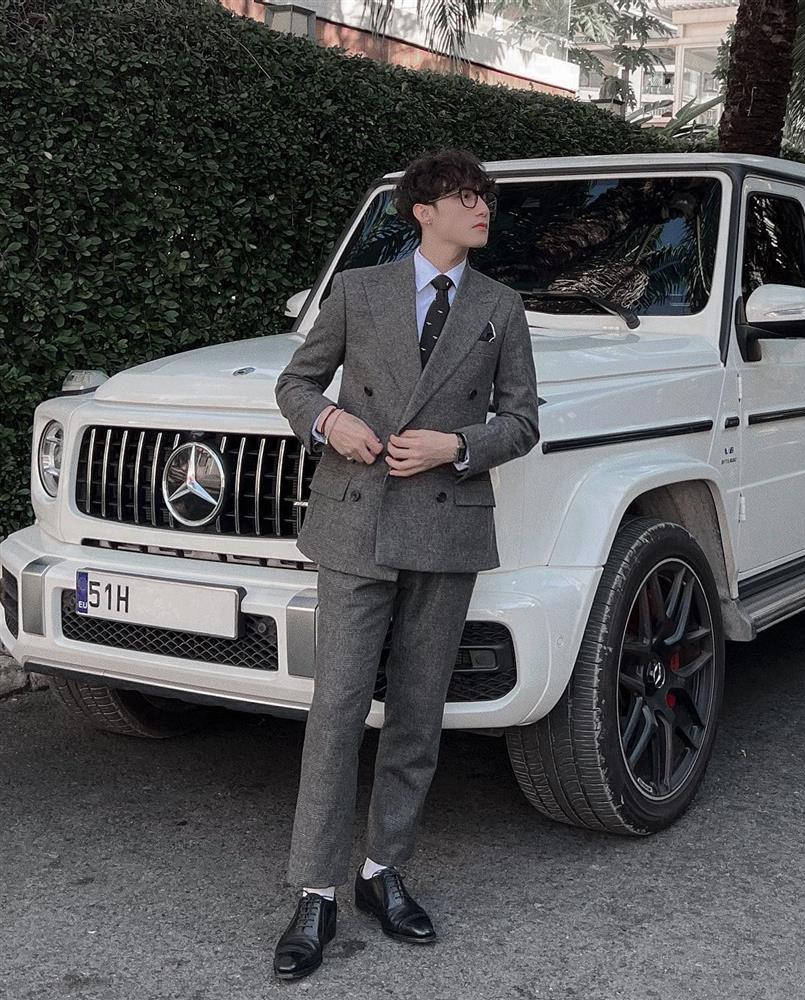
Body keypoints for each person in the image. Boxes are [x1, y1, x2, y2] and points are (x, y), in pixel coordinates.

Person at [271, 147, 540, 980]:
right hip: (355, 523)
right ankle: (315, 891)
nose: (482, 209)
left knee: (419, 712)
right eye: (466, 197)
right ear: (423, 211)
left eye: (485, 197)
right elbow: (295, 384)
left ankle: (383, 871)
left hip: (446, 525)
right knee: (337, 709)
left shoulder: (500, 306)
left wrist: (455, 446)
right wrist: (331, 425)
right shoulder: (359, 291)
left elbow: (523, 421)